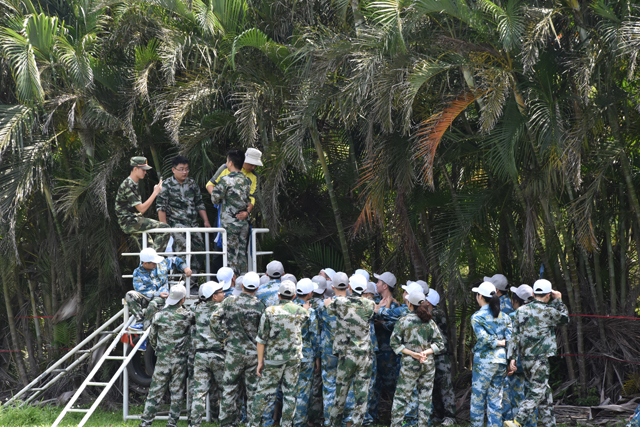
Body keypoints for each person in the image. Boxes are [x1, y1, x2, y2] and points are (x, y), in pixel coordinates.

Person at [504, 279, 569, 427]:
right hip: (540, 359)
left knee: (544, 394)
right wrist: (558, 299)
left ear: (533, 294)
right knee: (537, 391)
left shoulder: (520, 311)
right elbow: (565, 318)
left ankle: (549, 424)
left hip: (525, 359)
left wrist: (512, 358)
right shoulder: (549, 312)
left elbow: (514, 337)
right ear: (548, 295)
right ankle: (518, 421)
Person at [248, 281, 310, 427]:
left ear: (278, 295)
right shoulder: (301, 311)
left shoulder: (269, 311)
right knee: (290, 394)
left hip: (273, 358)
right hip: (293, 358)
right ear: (294, 296)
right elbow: (306, 317)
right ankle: (286, 424)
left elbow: (261, 340)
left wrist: (260, 362)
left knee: (263, 393)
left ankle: (254, 424)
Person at [211, 271, 266, 427]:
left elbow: (214, 318)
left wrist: (223, 337)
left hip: (233, 353)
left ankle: (227, 424)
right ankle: (253, 424)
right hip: (254, 355)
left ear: (241, 286)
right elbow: (264, 333)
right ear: (257, 287)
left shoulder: (229, 302)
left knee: (229, 390)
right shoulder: (260, 306)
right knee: (253, 393)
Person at [325, 274, 376, 427]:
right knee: (362, 394)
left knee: (340, 393)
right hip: (364, 355)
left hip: (346, 355)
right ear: (365, 289)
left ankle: (334, 424)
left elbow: (329, 309)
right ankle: (356, 424)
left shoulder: (340, 302)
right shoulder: (370, 304)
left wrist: (328, 302)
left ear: (349, 287)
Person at [139, 284, 193, 427]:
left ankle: (145, 422)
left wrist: (160, 350)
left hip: (163, 359)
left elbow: (152, 338)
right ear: (183, 299)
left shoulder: (159, 315)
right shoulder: (187, 315)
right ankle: (172, 423)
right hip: (180, 360)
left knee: (155, 392)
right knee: (177, 393)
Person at [389, 290, 445, 427]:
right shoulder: (429, 321)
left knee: (401, 398)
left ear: (409, 304)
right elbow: (440, 344)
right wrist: (425, 352)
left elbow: (394, 343)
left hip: (410, 365)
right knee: (425, 398)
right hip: (427, 364)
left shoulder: (403, 321)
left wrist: (412, 353)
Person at [156, 155, 210, 271]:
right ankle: (181, 283)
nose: (184, 172)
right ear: (173, 170)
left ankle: (193, 282)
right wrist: (166, 229)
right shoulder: (167, 185)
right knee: (183, 251)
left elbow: (199, 203)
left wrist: (206, 221)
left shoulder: (192, 183)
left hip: (193, 224)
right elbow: (161, 208)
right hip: (176, 224)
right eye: (181, 169)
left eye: (186, 169)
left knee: (199, 249)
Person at [470, 281, 512, 427]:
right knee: (495, 400)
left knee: (478, 399)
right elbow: (511, 340)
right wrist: (510, 358)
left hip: (484, 363)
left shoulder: (477, 317)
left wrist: (497, 342)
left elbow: (483, 338)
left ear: (480, 296)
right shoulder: (505, 317)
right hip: (500, 362)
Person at [189, 281, 228, 427]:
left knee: (199, 393)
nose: (224, 294)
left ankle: (194, 424)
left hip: (200, 356)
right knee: (225, 391)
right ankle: (225, 423)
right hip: (218, 354)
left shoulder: (197, 308)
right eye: (221, 292)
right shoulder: (223, 309)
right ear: (214, 297)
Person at [125, 248, 192, 329]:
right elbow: (141, 290)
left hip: (161, 298)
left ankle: (146, 325)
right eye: (153, 263)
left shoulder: (162, 263)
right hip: (147, 297)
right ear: (145, 263)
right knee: (129, 294)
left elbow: (175, 260)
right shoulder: (137, 273)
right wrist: (156, 293)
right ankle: (140, 321)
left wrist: (185, 268)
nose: (156, 264)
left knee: (154, 303)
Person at [209, 149, 252, 273]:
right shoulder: (246, 180)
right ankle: (242, 281)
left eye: (227, 161)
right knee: (242, 254)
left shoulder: (225, 180)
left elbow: (215, 199)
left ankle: (233, 284)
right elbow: (248, 201)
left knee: (231, 255)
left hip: (230, 224)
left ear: (231, 163)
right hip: (243, 223)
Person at [115, 156, 170, 250]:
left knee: (147, 248)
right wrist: (155, 192)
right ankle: (152, 259)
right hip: (130, 222)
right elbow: (142, 209)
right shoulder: (129, 184)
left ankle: (147, 261)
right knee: (165, 229)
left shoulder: (133, 183)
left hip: (133, 220)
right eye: (143, 169)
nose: (145, 172)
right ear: (135, 169)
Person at [502, 285, 536, 425]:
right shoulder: (538, 315)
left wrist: (509, 361)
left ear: (516, 300)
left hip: (516, 363)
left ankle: (517, 423)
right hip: (534, 362)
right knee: (532, 397)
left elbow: (510, 342)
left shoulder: (511, 317)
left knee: (517, 398)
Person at [425, 289, 456, 426]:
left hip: (441, 356)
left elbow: (426, 317)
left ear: (429, 302)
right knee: (435, 387)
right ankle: (438, 414)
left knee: (445, 386)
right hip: (432, 354)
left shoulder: (438, 313)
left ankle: (450, 416)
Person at [293, 279, 320, 427]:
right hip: (306, 355)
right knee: (303, 390)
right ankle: (299, 422)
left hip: (290, 354)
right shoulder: (310, 312)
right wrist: (317, 358)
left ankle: (288, 420)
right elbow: (314, 336)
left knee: (290, 388)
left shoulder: (289, 308)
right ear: (310, 293)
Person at [372, 271, 401, 412]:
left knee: (392, 385)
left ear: (385, 286)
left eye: (378, 282)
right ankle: (371, 416)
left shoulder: (395, 306)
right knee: (374, 385)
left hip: (389, 353)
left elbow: (395, 325)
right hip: (375, 351)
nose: (376, 284)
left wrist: (380, 323)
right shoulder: (374, 301)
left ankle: (397, 414)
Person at [206, 147, 262, 217]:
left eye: (256, 165)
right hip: (223, 213)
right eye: (252, 164)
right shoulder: (225, 168)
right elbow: (210, 184)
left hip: (241, 215)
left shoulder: (255, 177)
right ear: (245, 160)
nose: (253, 167)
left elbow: (252, 197)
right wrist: (220, 198)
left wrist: (247, 212)